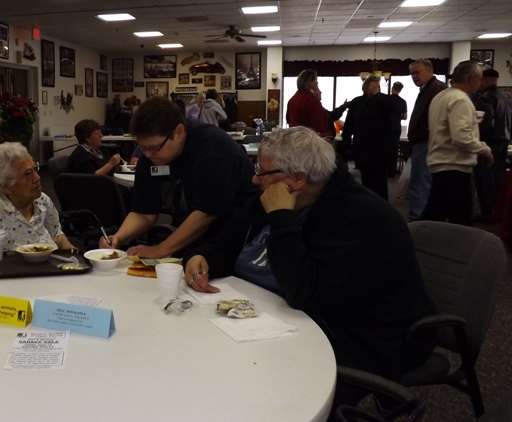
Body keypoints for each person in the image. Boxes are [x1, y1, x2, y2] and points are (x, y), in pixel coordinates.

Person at [183, 127, 435, 380]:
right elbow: (224, 244)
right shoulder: (269, 197)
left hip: (354, 336)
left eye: (262, 172)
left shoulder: (364, 218)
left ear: (298, 178)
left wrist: (280, 217)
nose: (255, 180)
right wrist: (200, 256)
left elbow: (305, 292)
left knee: (238, 379)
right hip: (265, 315)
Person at [99, 96, 257, 259]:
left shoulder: (212, 148)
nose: (148, 155)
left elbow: (206, 214)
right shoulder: (151, 155)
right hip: (197, 239)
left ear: (179, 132)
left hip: (243, 240)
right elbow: (143, 212)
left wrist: (160, 249)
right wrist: (119, 237)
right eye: (142, 148)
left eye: (154, 148)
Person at [0, 143, 74, 255]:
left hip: (51, 264)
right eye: (28, 174)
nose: (37, 178)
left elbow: (56, 235)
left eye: (34, 169)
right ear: (6, 186)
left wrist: (76, 256)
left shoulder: (42, 201)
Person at [422, 61, 492, 226]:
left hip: (444, 162)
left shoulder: (441, 96)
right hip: (454, 165)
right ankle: (415, 239)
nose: (480, 83)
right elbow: (461, 137)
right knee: (445, 215)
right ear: (472, 78)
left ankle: (422, 237)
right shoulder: (460, 99)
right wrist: (485, 150)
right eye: (480, 78)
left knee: (453, 214)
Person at [341, 74, 395, 200]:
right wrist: (347, 146)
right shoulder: (357, 102)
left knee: (380, 181)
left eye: (378, 85)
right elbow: (349, 126)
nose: (376, 87)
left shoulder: (384, 101)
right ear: (366, 87)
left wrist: (377, 95)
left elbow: (392, 115)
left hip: (380, 150)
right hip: (362, 149)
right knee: (366, 180)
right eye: (372, 85)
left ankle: (381, 206)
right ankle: (368, 204)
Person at [406, 59, 446, 221]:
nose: (414, 76)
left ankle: (417, 222)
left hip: (427, 143)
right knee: (421, 183)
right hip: (423, 143)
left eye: (417, 72)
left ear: (429, 71)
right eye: (411, 74)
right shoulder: (428, 89)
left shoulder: (437, 89)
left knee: (420, 184)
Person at [473, 68, 511, 221]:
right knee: (497, 178)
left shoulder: (485, 98)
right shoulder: (505, 98)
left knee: (485, 179)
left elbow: (484, 124)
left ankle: (488, 211)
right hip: (503, 142)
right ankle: (497, 210)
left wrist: (477, 140)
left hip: (489, 143)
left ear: (484, 80)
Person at [286, 69, 331, 139]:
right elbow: (318, 124)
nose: (317, 82)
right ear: (309, 82)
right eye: (315, 79)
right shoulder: (311, 99)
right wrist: (325, 139)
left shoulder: (292, 99)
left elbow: (288, 120)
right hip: (309, 141)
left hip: (295, 139)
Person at [388, 82, 408, 175]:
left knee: (384, 148)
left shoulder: (386, 99)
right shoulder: (402, 102)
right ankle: (392, 171)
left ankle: (384, 170)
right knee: (394, 149)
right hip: (396, 127)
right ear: (400, 90)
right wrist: (397, 117)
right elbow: (405, 117)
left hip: (386, 127)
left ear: (392, 88)